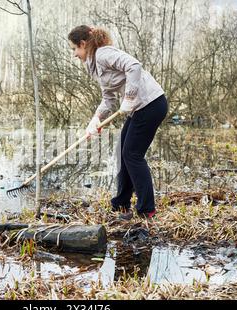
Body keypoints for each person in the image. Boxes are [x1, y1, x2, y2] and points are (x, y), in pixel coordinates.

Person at [68, 25, 168, 220]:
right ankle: (121, 203)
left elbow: (134, 66)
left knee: (132, 154)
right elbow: (108, 99)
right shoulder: (95, 65)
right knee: (122, 152)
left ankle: (147, 209)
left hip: (151, 103)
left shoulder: (104, 54)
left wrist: (129, 98)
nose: (74, 54)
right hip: (140, 108)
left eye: (74, 49)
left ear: (83, 44)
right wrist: (96, 120)